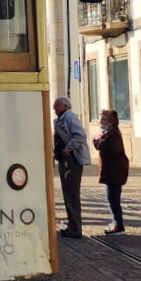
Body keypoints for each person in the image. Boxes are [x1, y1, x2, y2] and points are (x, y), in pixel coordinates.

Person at [53, 96, 91, 239]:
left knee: (72, 194)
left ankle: (75, 228)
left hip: (71, 160)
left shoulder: (69, 117)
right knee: (68, 194)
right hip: (65, 159)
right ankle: (72, 226)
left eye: (57, 106)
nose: (54, 109)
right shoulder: (61, 119)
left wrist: (67, 148)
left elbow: (80, 135)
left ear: (65, 106)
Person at [93, 108, 129, 235]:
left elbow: (112, 150)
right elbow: (98, 145)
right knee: (111, 199)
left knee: (113, 199)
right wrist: (97, 139)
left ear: (111, 121)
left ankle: (118, 226)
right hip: (110, 171)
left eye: (103, 119)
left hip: (115, 172)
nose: (100, 122)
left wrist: (100, 140)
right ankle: (115, 223)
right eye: (100, 119)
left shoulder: (113, 134)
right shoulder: (107, 133)